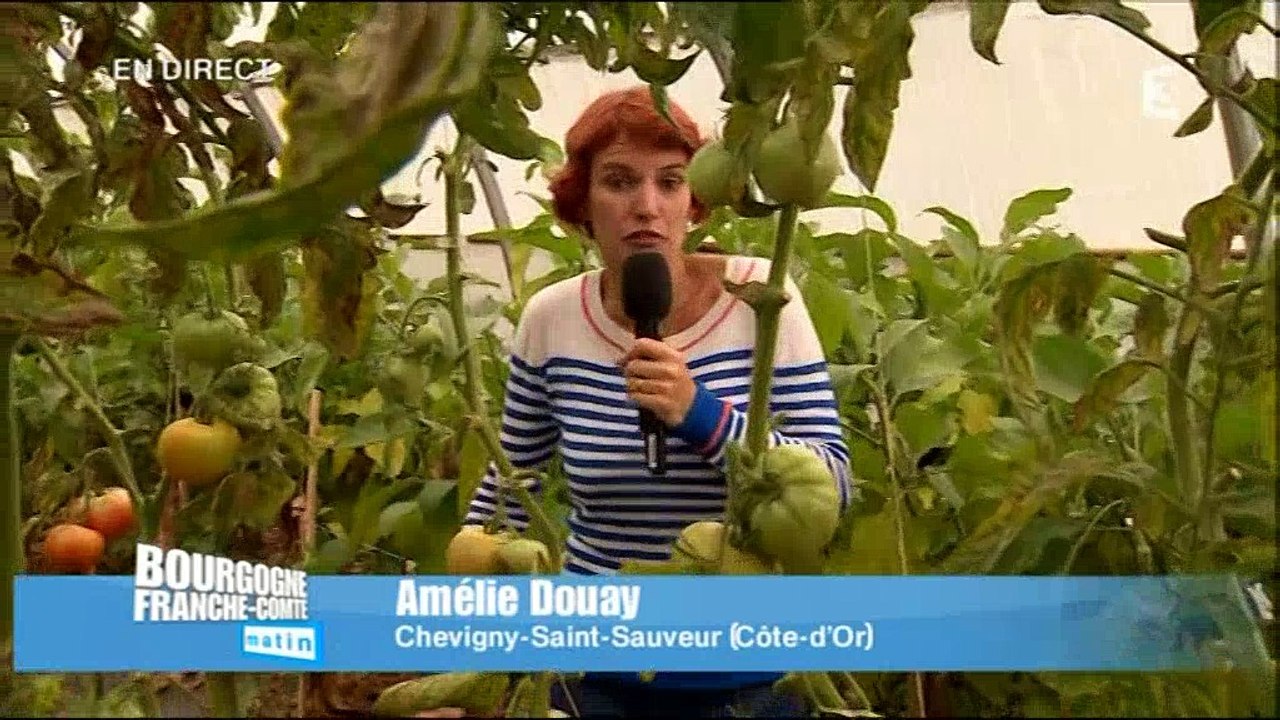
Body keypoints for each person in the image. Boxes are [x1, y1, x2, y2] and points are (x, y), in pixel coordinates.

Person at [443, 86, 854, 718]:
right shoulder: (551, 318)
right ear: (582, 202)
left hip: (749, 678)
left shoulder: (762, 298)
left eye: (670, 182)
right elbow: (510, 486)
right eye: (618, 181)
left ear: (695, 203)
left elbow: (834, 487)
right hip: (593, 674)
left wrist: (700, 415)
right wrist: (464, 661)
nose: (646, 206)